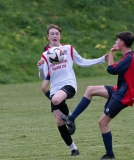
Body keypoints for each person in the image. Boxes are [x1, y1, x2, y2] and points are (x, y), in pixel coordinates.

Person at [61, 31, 134, 159]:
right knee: (90, 90)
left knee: (102, 123)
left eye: (117, 41)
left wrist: (111, 52)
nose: (115, 43)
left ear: (122, 43)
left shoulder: (128, 58)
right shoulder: (133, 56)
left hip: (123, 95)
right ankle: (71, 118)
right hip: (120, 90)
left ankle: (110, 155)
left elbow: (111, 69)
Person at [38, 24, 108, 156]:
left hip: (69, 84)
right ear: (47, 36)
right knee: (59, 121)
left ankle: (70, 117)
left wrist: (101, 60)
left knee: (56, 99)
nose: (54, 36)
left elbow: (82, 62)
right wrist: (41, 67)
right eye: (51, 34)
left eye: (56, 33)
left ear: (60, 35)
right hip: (55, 87)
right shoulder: (45, 54)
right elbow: (43, 76)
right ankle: (73, 149)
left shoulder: (68, 49)